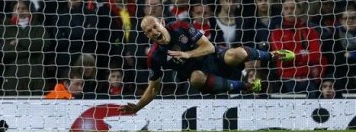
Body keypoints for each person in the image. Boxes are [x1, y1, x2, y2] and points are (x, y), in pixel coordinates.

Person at [119, 16, 295, 114]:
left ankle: (272, 55)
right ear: (146, 35)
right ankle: (247, 86)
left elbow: (209, 46)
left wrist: (187, 54)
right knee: (194, 78)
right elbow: (153, 88)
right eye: (149, 31)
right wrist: (138, 106)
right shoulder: (155, 56)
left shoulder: (181, 26)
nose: (154, 32)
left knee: (236, 53)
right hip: (204, 77)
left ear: (162, 22)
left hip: (217, 58)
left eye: (155, 26)